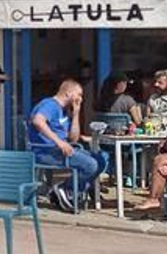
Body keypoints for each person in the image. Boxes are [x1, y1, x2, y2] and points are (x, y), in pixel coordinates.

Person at [28, 79, 109, 212]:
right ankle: (66, 190)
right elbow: (38, 121)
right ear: (68, 93)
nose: (81, 99)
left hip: (63, 149)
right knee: (90, 165)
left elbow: (73, 138)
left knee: (101, 159)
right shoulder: (50, 105)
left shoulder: (64, 111)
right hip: (46, 150)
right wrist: (59, 142)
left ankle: (67, 190)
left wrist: (76, 113)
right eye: (79, 95)